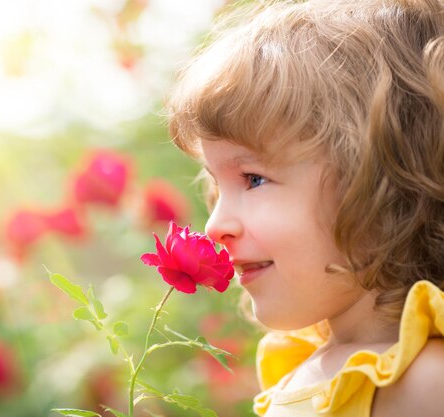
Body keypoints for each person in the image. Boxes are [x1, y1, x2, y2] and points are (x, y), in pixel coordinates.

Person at [166, 0, 444, 416]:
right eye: (217, 185)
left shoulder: (424, 383)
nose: (214, 224)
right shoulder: (298, 365)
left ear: (378, 182)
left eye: (253, 179)